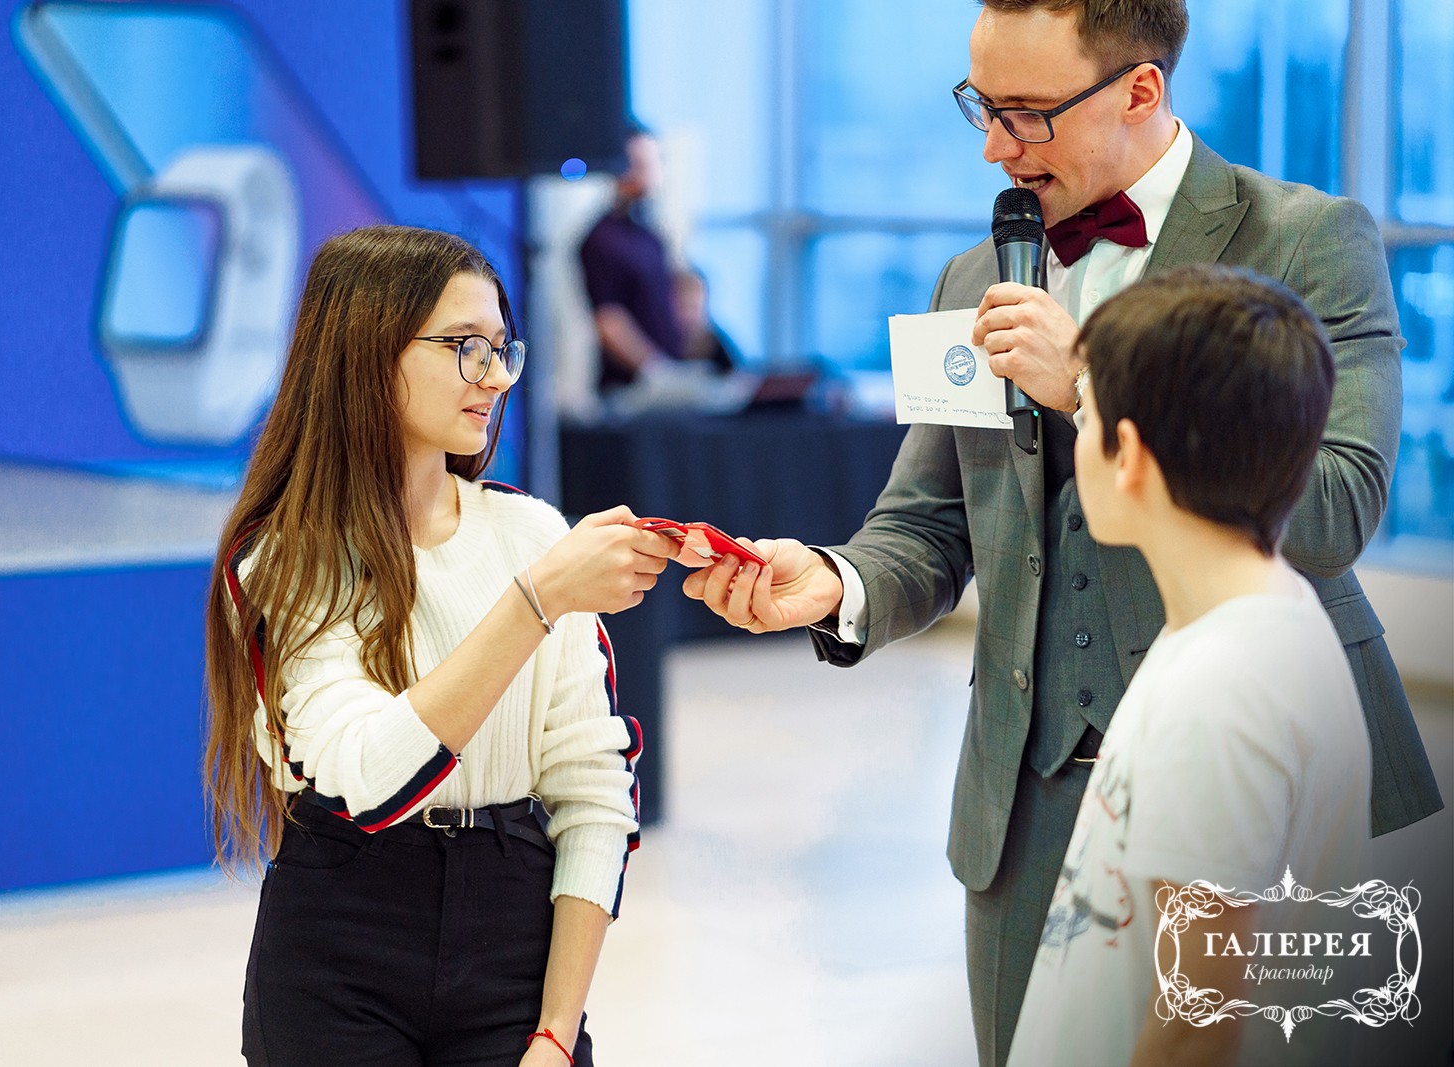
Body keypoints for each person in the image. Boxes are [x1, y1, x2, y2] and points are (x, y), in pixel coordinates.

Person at [680, 2, 1442, 1063]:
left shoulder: (1307, 239)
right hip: (1025, 795)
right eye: (982, 108)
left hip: (1254, 765)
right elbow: (928, 521)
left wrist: (1091, 377)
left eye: (1028, 113)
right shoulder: (971, 278)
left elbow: (1337, 510)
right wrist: (835, 581)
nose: (996, 149)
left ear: (1140, 90)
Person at [204, 225, 679, 1066]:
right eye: (465, 347)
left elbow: (594, 791)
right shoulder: (286, 558)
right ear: (365, 352)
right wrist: (536, 601)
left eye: (501, 348)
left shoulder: (531, 532)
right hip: (339, 944)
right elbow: (368, 777)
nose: (496, 376)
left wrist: (556, 1028)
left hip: (514, 934)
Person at [1005, 264, 1369, 1066]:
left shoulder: (1222, 688)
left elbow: (1196, 1026)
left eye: (1088, 415)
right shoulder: (1240, 622)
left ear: (1128, 455)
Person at [578, 127, 704, 392]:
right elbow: (608, 319)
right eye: (641, 163)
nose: (651, 172)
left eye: (654, 162)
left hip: (669, 374)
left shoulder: (650, 236)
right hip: (630, 388)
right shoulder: (602, 240)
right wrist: (656, 371)